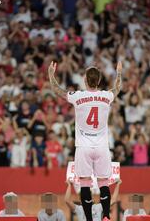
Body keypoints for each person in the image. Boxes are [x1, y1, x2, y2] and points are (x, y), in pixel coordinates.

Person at [48, 60, 122, 221]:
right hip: (102, 146)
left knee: (85, 183)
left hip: (83, 146)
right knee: (103, 182)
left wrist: (51, 74)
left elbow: (57, 90)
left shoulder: (78, 96)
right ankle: (106, 216)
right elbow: (118, 88)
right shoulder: (106, 96)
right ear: (100, 81)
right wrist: (119, 73)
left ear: (85, 80)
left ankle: (89, 218)